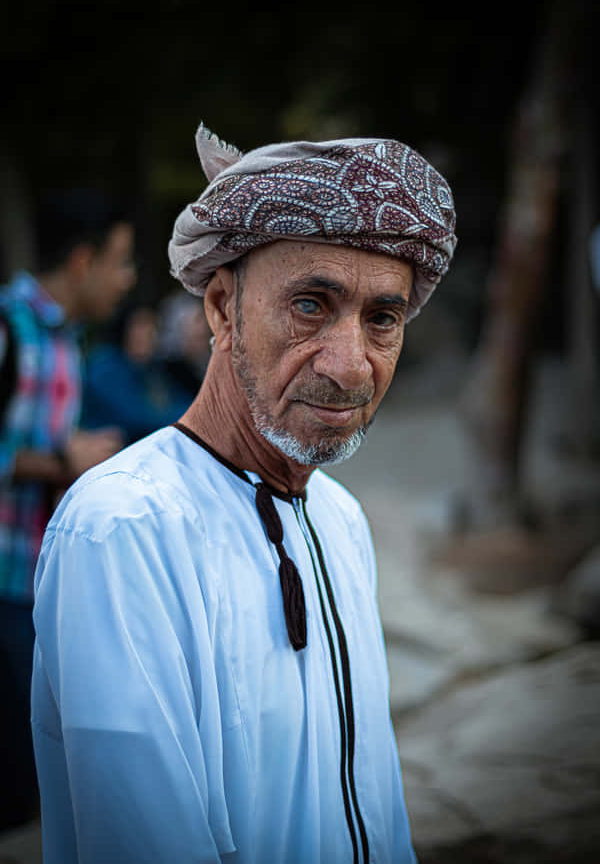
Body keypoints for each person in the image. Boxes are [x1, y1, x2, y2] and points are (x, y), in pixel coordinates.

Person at [31, 125, 457, 863]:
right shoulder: (123, 532)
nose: (351, 366)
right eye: (311, 306)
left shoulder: (339, 518)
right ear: (223, 308)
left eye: (382, 319)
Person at [0, 187, 136, 830]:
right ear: (83, 261)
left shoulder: (65, 339)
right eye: (120, 261)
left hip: (35, 589)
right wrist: (63, 460)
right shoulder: (8, 327)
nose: (127, 279)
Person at [81, 301, 195, 445]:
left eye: (154, 327)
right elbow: (137, 417)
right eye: (141, 326)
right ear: (125, 329)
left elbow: (178, 399)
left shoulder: (152, 368)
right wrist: (194, 416)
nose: (149, 334)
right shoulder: (106, 365)